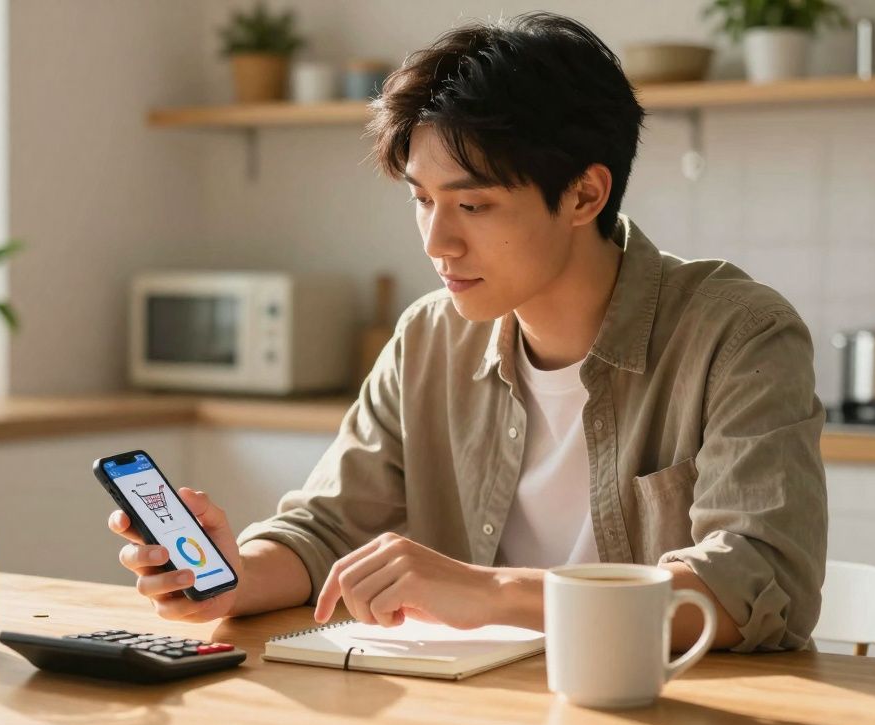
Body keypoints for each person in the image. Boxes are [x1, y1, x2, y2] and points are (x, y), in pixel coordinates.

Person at [108, 11, 826, 653]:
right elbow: (327, 532)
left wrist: (489, 593)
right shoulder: (428, 338)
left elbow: (755, 583)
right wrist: (228, 579)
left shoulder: (739, 334)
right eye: (422, 200)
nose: (436, 241)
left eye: (473, 205)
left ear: (584, 194)